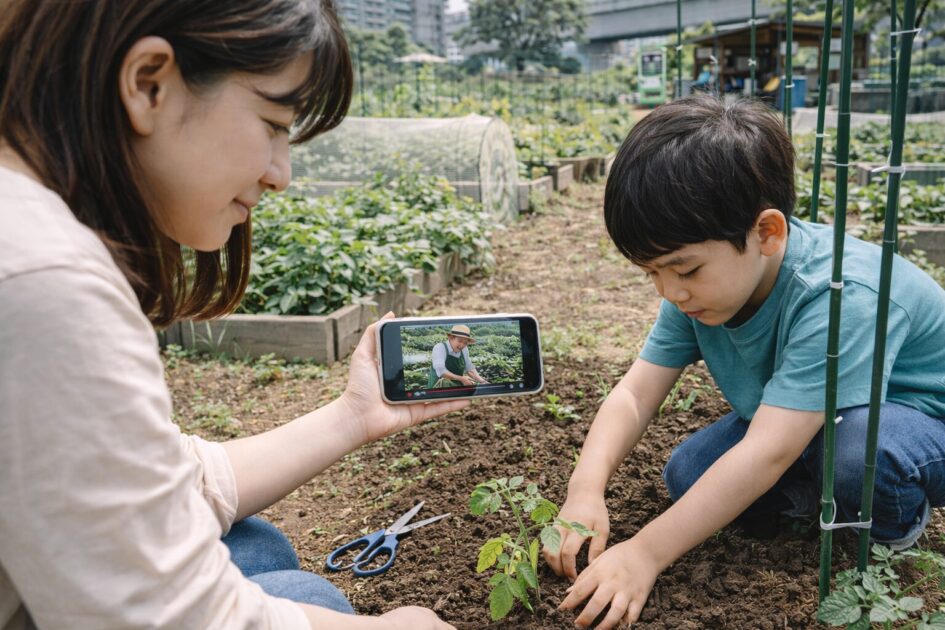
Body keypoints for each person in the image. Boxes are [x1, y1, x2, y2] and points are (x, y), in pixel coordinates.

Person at [0, 2, 464, 629]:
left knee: (254, 545)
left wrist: (356, 416)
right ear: (148, 84)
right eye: (273, 122)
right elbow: (163, 618)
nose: (282, 175)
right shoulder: (45, 283)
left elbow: (158, 479)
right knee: (313, 595)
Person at [544, 94, 945, 629]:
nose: (669, 291)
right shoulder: (700, 290)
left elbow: (768, 452)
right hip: (813, 415)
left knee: (853, 459)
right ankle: (817, 497)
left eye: (683, 270)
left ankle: (885, 528)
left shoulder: (840, 293)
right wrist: (584, 489)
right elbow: (635, 394)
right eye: (652, 274)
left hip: (916, 422)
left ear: (767, 233)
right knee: (689, 474)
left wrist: (645, 552)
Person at [428, 324, 490, 388]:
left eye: (465, 343)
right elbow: (441, 371)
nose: (462, 345)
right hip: (438, 389)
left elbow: (469, 368)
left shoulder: (464, 349)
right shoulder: (440, 347)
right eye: (460, 341)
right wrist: (462, 378)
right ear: (451, 338)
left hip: (456, 388)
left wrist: (482, 381)